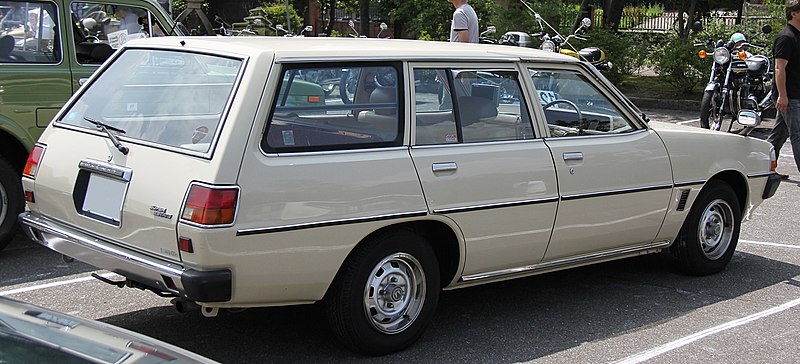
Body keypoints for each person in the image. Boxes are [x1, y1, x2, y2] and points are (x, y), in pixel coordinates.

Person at [767, 0, 800, 180]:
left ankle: (765, 168)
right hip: (788, 95)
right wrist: (783, 96)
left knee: (779, 135)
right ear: (794, 13)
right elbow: (780, 68)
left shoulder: (797, 36)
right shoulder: (786, 37)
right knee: (798, 134)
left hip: (795, 93)